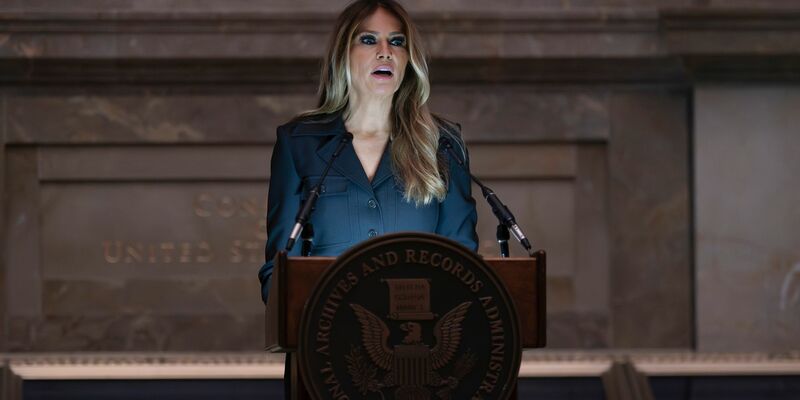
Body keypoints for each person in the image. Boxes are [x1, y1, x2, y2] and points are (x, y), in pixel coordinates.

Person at [258, 0, 477, 303]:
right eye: (369, 39)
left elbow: (463, 265)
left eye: (397, 42)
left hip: (418, 327)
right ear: (343, 54)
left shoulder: (443, 143)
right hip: (323, 326)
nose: (385, 51)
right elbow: (279, 271)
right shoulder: (298, 143)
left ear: (408, 59)